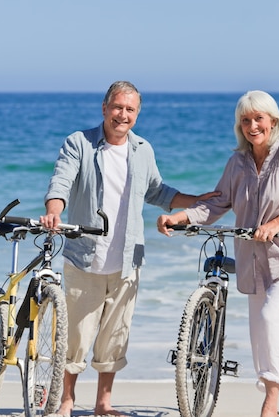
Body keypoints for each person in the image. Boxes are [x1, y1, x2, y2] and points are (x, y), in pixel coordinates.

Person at [40, 80, 219, 417]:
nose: (123, 115)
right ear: (105, 108)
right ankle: (66, 401)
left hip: (127, 260)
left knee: (115, 337)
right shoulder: (79, 143)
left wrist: (195, 201)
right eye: (117, 107)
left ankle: (103, 405)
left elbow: (157, 192)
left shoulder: (142, 149)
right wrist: (54, 211)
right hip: (84, 258)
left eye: (130, 109)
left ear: (137, 114)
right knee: (75, 337)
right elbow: (61, 180)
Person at [157, 90, 279, 417]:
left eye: (258, 118)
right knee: (271, 332)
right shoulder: (237, 161)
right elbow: (217, 203)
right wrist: (178, 217)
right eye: (245, 120)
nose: (252, 125)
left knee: (270, 319)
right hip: (251, 261)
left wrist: (278, 222)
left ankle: (271, 397)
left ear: (272, 121)